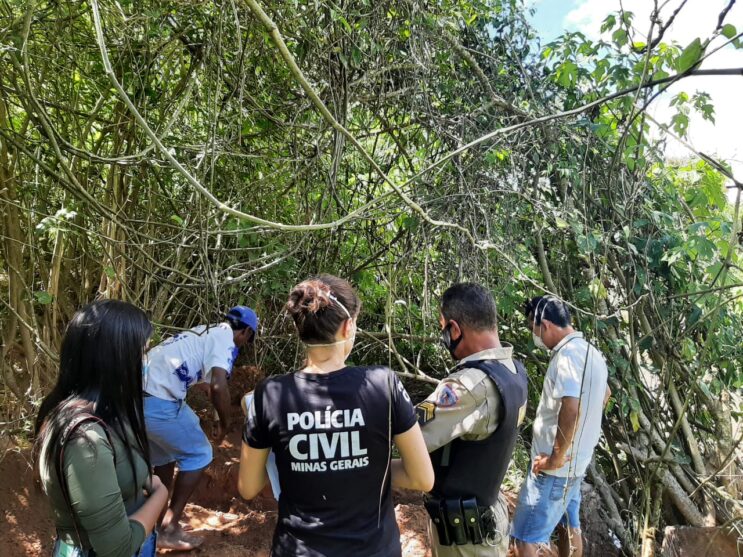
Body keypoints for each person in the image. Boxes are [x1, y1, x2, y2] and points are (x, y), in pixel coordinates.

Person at [238, 274, 434, 556]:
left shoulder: (269, 393)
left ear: (301, 330)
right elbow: (422, 479)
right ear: (348, 326)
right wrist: (361, 467)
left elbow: (248, 486)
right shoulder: (383, 383)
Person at [35, 299, 169, 557]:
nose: (147, 361)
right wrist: (161, 493)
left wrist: (143, 479)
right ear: (115, 361)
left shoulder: (108, 413)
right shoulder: (85, 440)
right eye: (143, 352)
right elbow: (117, 549)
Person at [412, 283, 528, 557]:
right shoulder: (513, 371)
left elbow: (410, 432)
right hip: (486, 514)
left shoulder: (470, 385)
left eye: (443, 328)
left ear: (454, 329)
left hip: (465, 534)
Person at [143, 305, 258, 550]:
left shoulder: (204, 332)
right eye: (247, 340)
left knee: (164, 459)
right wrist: (226, 425)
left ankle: (155, 522)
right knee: (200, 453)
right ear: (246, 332)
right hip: (160, 401)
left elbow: (206, 385)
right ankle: (170, 528)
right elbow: (217, 386)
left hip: (138, 399)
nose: (243, 345)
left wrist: (216, 415)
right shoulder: (226, 340)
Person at [512, 296, 611, 557]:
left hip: (554, 469)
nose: (536, 338)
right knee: (569, 526)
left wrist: (555, 458)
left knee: (524, 538)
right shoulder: (592, 352)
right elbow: (605, 394)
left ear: (545, 325)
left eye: (535, 331)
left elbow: (572, 407)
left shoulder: (567, 355)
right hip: (577, 464)